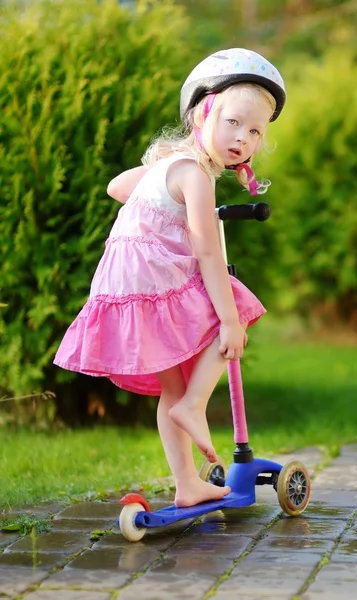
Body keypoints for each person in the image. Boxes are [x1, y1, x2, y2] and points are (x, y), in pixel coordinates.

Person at [54, 48, 286, 507]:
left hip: (123, 285)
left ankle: (187, 483)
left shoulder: (169, 167)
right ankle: (195, 406)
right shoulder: (197, 176)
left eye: (255, 131)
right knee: (234, 305)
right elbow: (206, 251)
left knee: (171, 387)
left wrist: (160, 186)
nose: (243, 137)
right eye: (233, 122)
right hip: (154, 280)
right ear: (204, 115)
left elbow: (116, 187)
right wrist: (230, 322)